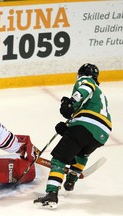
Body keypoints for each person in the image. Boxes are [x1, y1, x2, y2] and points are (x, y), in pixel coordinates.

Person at [33, 63, 112, 209]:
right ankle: (72, 178)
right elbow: (81, 115)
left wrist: (71, 102)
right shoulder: (101, 97)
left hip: (86, 125)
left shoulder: (87, 80)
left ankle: (51, 194)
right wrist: (67, 128)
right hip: (103, 133)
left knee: (59, 159)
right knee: (82, 152)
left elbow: (85, 89)